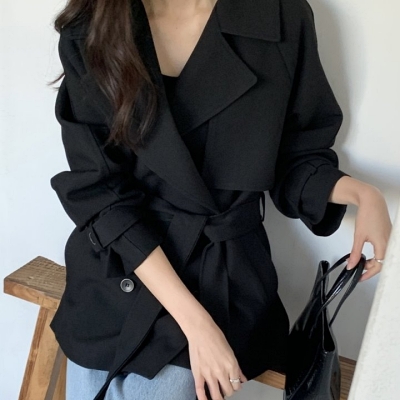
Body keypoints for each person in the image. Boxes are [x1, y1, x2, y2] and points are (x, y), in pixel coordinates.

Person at [49, 0, 392, 399]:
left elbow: (294, 155)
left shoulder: (279, 17)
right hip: (120, 268)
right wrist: (197, 325)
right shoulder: (94, 26)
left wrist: (363, 194)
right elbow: (99, 192)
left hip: (221, 279)